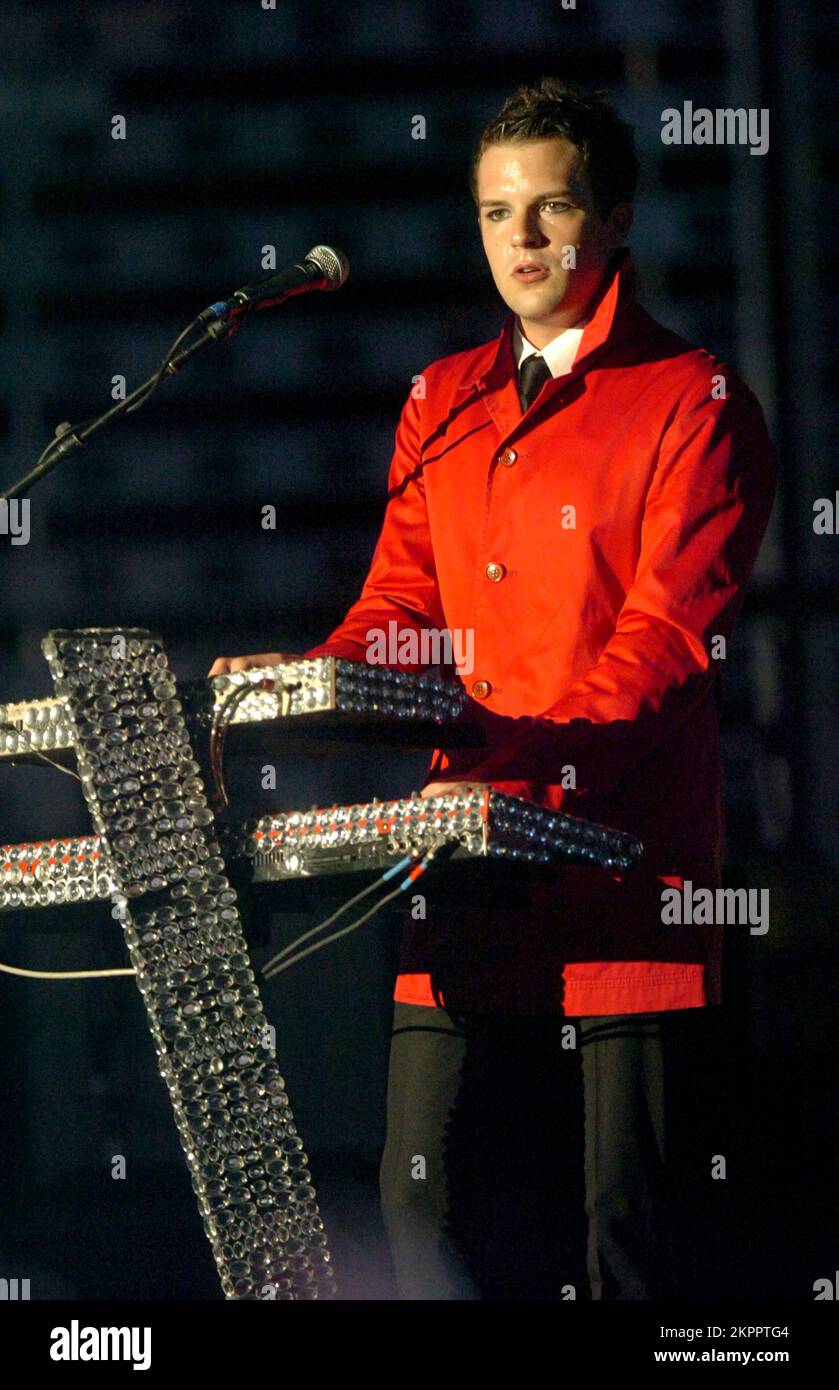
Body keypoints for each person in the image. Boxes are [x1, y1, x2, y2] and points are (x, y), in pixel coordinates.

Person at [210, 77, 778, 1300]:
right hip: (461, 878)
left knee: (627, 1235)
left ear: (614, 218)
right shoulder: (441, 397)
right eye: (493, 212)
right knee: (422, 1209)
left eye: (550, 207)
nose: (519, 239)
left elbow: (664, 643)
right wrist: (298, 683)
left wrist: (515, 783)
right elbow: (396, 612)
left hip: (629, 878)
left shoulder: (694, 402)